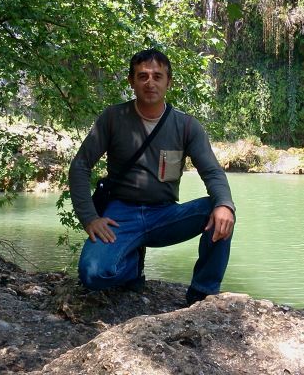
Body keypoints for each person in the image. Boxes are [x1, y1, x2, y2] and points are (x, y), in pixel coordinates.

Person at [68, 48, 235, 305]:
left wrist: (224, 204)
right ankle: (132, 265)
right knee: (93, 274)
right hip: (120, 216)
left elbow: (212, 172)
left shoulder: (187, 126)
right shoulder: (113, 118)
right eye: (142, 76)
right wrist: (90, 218)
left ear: (168, 82)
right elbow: (80, 167)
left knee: (221, 211)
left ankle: (202, 292)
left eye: (157, 76)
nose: (150, 82)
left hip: (165, 216)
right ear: (131, 81)